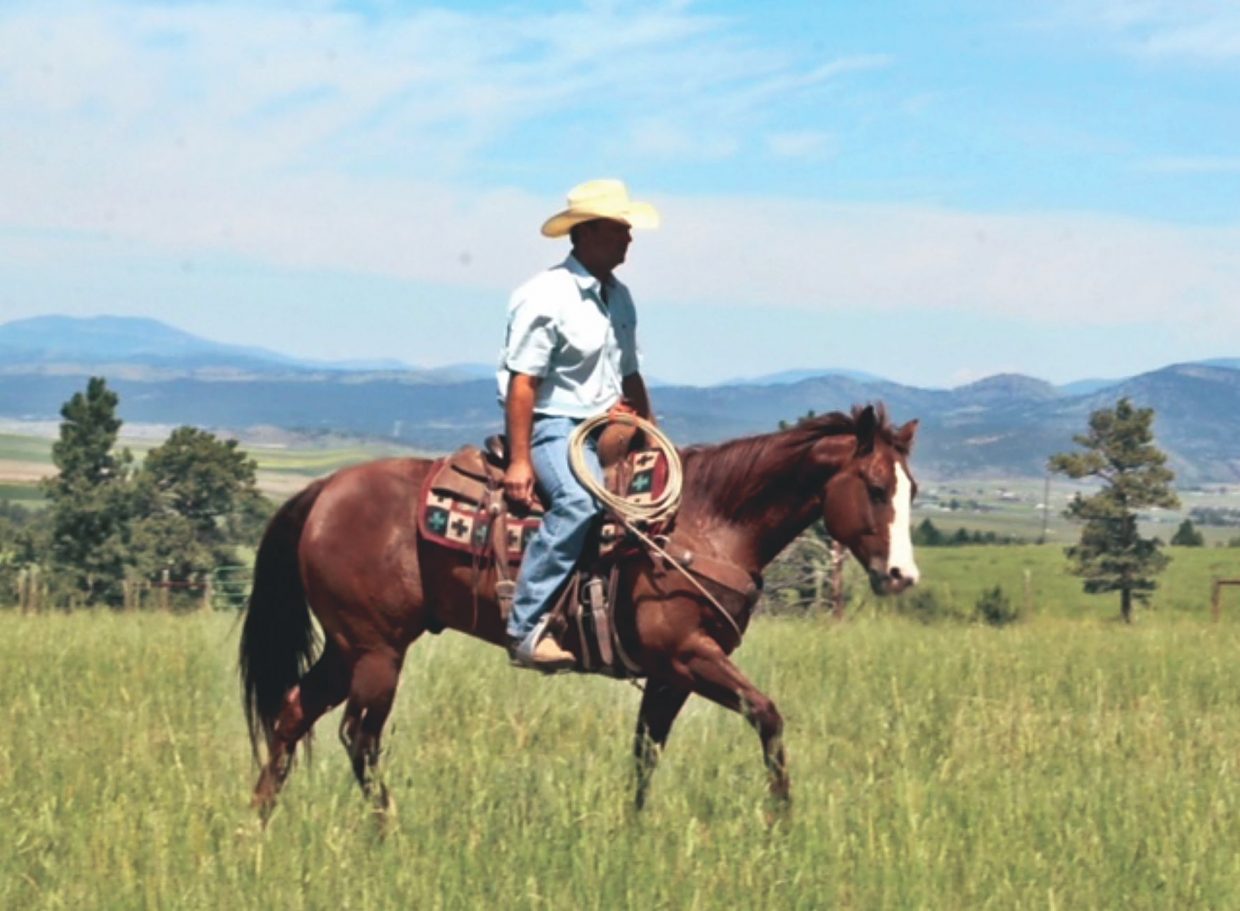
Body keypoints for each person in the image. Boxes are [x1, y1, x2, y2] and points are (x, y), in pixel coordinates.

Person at [497, 179, 659, 670]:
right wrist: (521, 460)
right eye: (620, 228)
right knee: (578, 502)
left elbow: (629, 373)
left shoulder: (620, 298)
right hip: (556, 424)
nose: (629, 238)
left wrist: (652, 433)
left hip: (611, 424)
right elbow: (524, 383)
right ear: (587, 233)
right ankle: (525, 629)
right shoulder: (545, 295)